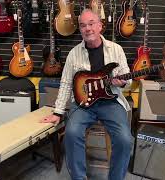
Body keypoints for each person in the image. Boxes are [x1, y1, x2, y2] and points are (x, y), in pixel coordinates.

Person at [41, 9, 133, 180]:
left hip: (110, 102)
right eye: (83, 25)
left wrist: (124, 82)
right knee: (72, 133)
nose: (87, 28)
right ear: (80, 29)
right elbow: (66, 83)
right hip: (82, 104)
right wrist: (58, 112)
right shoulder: (73, 54)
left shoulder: (116, 50)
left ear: (100, 26)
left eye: (91, 24)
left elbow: (129, 80)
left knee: (125, 139)